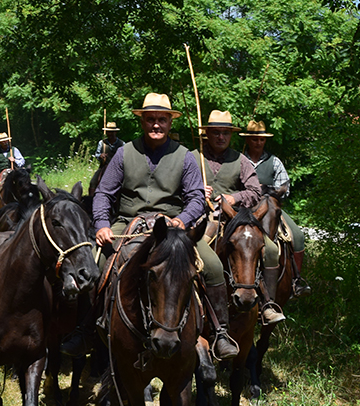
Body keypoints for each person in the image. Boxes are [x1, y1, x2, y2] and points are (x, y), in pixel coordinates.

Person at [65, 93, 239, 360]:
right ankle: (85, 330)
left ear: (170, 123)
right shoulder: (124, 153)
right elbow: (103, 194)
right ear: (142, 122)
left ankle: (220, 333)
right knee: (96, 265)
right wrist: (101, 224)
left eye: (161, 119)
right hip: (127, 222)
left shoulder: (184, 156)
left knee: (213, 266)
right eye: (150, 120)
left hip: (172, 226)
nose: (156, 125)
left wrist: (182, 220)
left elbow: (195, 197)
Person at [190, 110, 286, 326]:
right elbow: (176, 187)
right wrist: (195, 190)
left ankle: (267, 304)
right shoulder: (193, 157)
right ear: (207, 133)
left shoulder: (240, 160)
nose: (220, 137)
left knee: (269, 249)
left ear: (230, 135)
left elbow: (254, 192)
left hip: (233, 220)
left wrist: (233, 198)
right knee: (192, 252)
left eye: (225, 133)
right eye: (216, 133)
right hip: (199, 217)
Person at [242, 119, 310, 297]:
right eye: (254, 139)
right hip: (244, 206)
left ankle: (296, 280)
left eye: (261, 140)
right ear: (248, 140)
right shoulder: (239, 159)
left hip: (270, 207)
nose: (258, 142)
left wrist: (269, 191)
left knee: (298, 235)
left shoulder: (274, 162)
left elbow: (285, 188)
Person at [0, 131, 26, 222]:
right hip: (1, 174)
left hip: (13, 172)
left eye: (6, 140)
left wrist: (14, 160)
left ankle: (26, 208)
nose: (4, 142)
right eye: (2, 141)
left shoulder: (14, 150)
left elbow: (22, 161)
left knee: (23, 187)